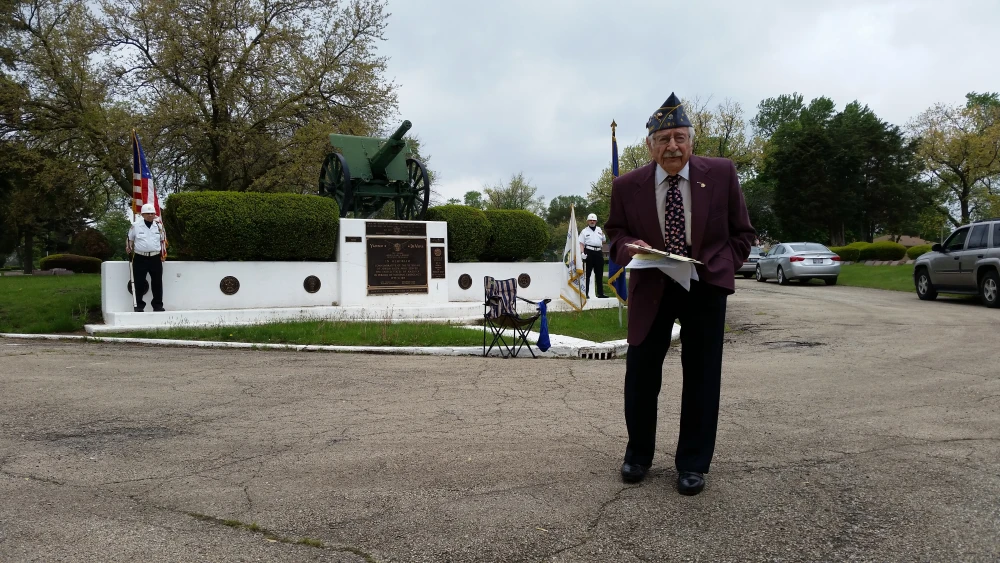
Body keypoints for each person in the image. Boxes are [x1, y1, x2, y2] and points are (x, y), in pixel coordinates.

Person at [604, 92, 755, 495]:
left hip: (704, 287)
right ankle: (638, 455)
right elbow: (615, 233)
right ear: (650, 144)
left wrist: (724, 266)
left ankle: (693, 463)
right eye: (664, 138)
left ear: (692, 140)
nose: (672, 146)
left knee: (703, 377)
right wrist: (628, 247)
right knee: (641, 374)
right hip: (651, 285)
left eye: (679, 138)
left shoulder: (721, 174)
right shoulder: (627, 186)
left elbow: (743, 234)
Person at [126, 203, 167, 312]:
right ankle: (139, 306)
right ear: (142, 214)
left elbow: (162, 241)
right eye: (148, 213)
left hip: (155, 257)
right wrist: (128, 247)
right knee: (139, 282)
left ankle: (157, 305)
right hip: (140, 257)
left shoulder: (159, 226)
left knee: (157, 282)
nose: (150, 215)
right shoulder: (135, 226)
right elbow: (130, 239)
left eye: (152, 213)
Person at [579, 212, 608, 298]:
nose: (592, 222)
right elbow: (581, 243)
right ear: (587, 221)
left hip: (598, 252)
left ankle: (600, 293)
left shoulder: (599, 230)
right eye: (590, 220)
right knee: (587, 274)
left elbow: (604, 240)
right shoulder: (584, 231)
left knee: (599, 274)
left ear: (596, 221)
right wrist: (582, 253)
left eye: (594, 220)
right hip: (589, 251)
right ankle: (586, 293)